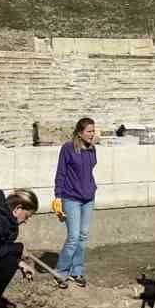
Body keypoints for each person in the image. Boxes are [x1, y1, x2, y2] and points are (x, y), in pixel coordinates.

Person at [53, 117, 99, 288]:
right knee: (73, 237)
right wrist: (58, 197)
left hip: (88, 198)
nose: (92, 134)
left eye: (93, 131)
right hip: (71, 197)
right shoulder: (68, 148)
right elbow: (61, 172)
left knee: (83, 236)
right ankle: (61, 272)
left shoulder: (92, 149)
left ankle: (77, 271)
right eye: (89, 131)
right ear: (80, 133)